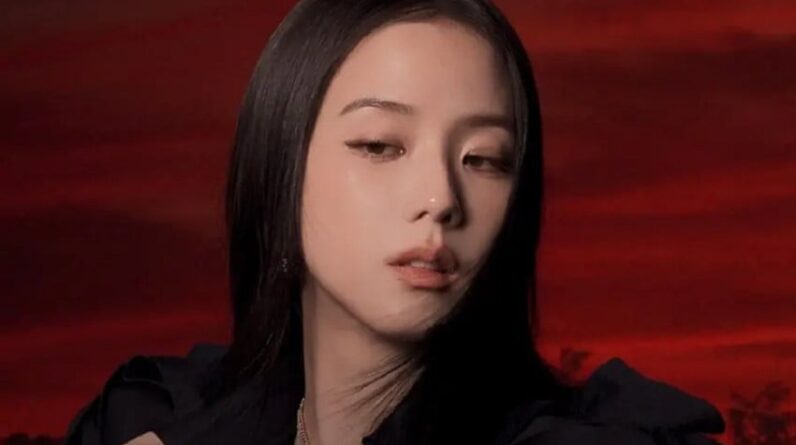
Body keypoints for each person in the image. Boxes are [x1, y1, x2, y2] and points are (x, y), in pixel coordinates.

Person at [64, 0, 727, 444]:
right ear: (279, 166)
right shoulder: (149, 418)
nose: (441, 197)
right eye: (380, 145)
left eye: (484, 159)